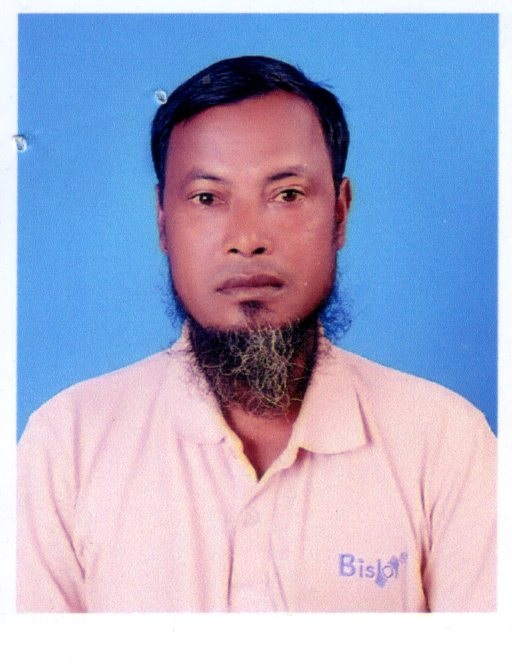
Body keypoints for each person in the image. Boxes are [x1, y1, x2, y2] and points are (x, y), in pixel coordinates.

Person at [17, 55, 496, 612]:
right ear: (162, 222)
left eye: (287, 194)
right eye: (206, 198)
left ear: (340, 214)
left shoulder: (446, 443)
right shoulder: (67, 446)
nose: (246, 239)